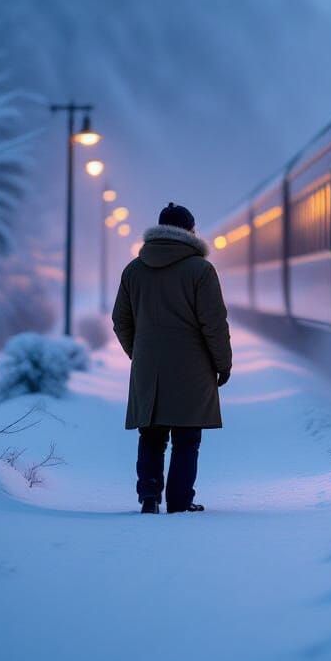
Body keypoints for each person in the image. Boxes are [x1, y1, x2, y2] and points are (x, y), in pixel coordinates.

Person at [112, 202, 232, 514]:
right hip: (192, 369)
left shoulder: (134, 270)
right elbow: (214, 324)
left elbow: (120, 320)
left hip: (148, 368)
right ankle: (180, 501)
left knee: (151, 434)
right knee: (186, 437)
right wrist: (222, 363)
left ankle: (149, 496)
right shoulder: (201, 270)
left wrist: (137, 352)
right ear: (190, 232)